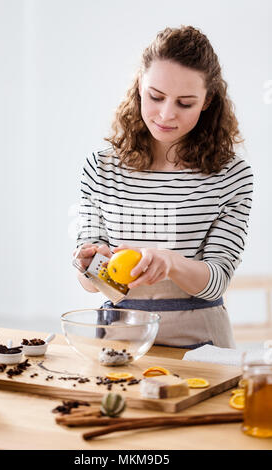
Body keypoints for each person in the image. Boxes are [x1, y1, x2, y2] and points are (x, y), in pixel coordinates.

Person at [73, 25, 253, 349]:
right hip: (121, 344)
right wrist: (91, 264)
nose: (166, 114)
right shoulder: (100, 169)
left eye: (185, 103)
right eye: (156, 96)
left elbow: (217, 282)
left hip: (201, 346)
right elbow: (90, 283)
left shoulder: (231, 176)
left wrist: (170, 262)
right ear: (140, 84)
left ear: (207, 101)